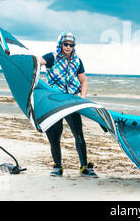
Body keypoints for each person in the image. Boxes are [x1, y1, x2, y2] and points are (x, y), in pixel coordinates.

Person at [39, 32, 97, 178]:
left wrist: (82, 98)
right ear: (60, 44)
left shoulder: (77, 60)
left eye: (71, 45)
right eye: (66, 44)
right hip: (54, 101)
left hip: (72, 102)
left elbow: (83, 80)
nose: (68, 47)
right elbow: (37, 63)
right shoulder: (52, 57)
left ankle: (84, 167)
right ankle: (57, 167)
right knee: (54, 135)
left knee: (78, 134)